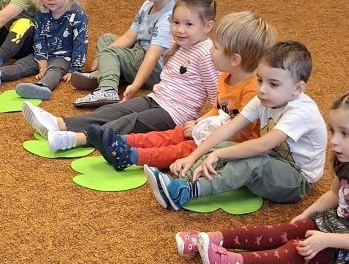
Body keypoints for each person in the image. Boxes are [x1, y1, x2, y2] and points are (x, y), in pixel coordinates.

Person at [191, 89, 349, 264]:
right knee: (284, 231)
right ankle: (212, 239)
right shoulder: (347, 158)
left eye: (344, 134)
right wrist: (305, 215)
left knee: (296, 250)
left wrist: (326, 240)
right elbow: (334, 194)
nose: (334, 141)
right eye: (333, 131)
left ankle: (229, 263)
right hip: (340, 224)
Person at [144, 40, 326, 211]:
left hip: (298, 179)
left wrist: (218, 154)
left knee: (251, 162)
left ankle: (187, 192)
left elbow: (261, 145)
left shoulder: (301, 113)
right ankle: (184, 180)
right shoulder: (263, 100)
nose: (262, 89)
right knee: (223, 145)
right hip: (273, 158)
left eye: (273, 84)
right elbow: (227, 130)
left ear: (297, 89)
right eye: (260, 80)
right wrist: (192, 157)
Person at [22, 0, 217, 150]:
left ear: (207, 26)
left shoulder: (205, 54)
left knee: (130, 122)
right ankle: (60, 123)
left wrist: (200, 123)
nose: (180, 30)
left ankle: (78, 139)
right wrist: (135, 87)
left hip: (175, 115)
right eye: (176, 23)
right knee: (114, 110)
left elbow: (219, 99)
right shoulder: (180, 43)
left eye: (188, 24)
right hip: (156, 99)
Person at [95, 10, 275, 170]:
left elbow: (241, 134)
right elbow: (216, 109)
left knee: (183, 149)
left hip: (231, 144)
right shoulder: (224, 76)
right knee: (174, 134)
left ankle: (131, 157)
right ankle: (123, 141)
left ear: (234, 60)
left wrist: (207, 134)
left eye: (216, 47)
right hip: (215, 130)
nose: (210, 50)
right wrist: (199, 123)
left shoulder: (253, 90)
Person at [70, 0, 185, 107]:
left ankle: (107, 89)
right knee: (106, 39)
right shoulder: (148, 4)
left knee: (111, 52)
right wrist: (103, 55)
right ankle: (108, 72)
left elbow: (152, 57)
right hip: (139, 51)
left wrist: (136, 86)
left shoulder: (168, 17)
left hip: (153, 69)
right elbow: (129, 36)